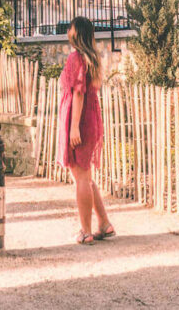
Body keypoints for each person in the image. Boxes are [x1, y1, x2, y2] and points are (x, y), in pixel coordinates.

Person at [57, 15, 114, 245]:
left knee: (80, 176)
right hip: (89, 119)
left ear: (76, 33)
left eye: (70, 28)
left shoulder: (76, 58)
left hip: (79, 120)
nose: (67, 31)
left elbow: (78, 93)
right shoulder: (90, 58)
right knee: (86, 176)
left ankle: (85, 230)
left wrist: (73, 128)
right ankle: (104, 224)